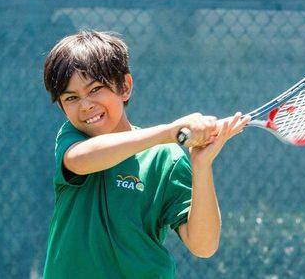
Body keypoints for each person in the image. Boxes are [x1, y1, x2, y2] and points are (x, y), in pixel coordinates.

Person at [41, 30, 249, 279]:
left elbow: (203, 246)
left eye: (95, 89)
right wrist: (169, 132)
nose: (85, 105)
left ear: (125, 87)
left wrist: (202, 166)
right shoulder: (73, 140)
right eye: (71, 97)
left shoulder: (166, 159)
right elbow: (82, 160)